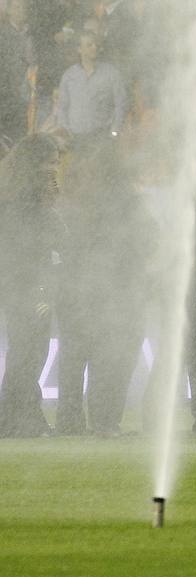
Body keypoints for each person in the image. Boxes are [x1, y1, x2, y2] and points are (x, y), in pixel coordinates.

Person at [0, 136, 65, 438]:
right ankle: (18, 417)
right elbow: (37, 236)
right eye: (51, 158)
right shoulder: (28, 195)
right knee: (28, 350)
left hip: (23, 282)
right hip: (29, 283)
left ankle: (19, 415)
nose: (55, 164)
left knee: (27, 350)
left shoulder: (16, 193)